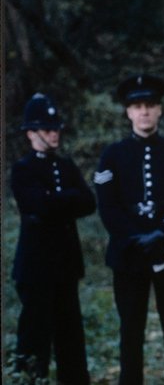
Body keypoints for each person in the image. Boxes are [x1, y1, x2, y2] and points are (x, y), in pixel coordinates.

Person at [94, 75, 164, 384]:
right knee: (130, 330)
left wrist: (163, 233)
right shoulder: (111, 156)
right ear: (128, 112)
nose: (144, 112)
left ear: (160, 110)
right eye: (137, 106)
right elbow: (107, 205)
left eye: (150, 105)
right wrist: (133, 237)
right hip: (129, 256)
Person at [10, 93, 95, 383]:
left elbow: (88, 202)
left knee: (71, 338)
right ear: (31, 133)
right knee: (35, 338)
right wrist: (66, 199)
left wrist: (56, 199)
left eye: (56, 128)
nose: (54, 134)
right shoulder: (23, 169)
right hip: (36, 268)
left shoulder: (66, 166)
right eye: (47, 129)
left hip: (66, 266)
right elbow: (37, 206)